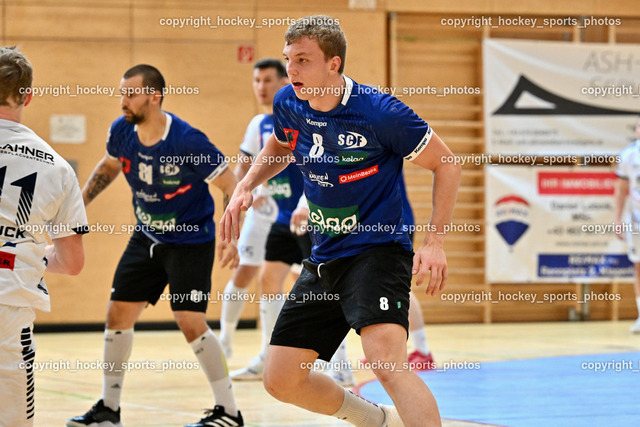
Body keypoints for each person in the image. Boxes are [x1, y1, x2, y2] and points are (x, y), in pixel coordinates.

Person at [220, 15, 461, 427]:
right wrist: (247, 184)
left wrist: (434, 242)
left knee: (387, 363)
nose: (291, 69)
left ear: (333, 64)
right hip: (325, 255)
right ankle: (376, 420)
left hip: (377, 252)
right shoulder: (288, 102)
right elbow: (282, 144)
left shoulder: (380, 113)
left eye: (302, 60)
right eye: (288, 59)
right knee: (281, 379)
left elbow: (448, 163)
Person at [66, 65, 243, 427]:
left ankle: (229, 412)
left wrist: (230, 236)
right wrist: (78, 204)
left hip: (190, 240)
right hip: (146, 235)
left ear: (154, 96)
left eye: (130, 94)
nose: (123, 101)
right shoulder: (121, 131)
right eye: (122, 93)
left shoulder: (188, 141)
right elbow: (110, 166)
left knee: (189, 320)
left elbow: (231, 184)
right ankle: (109, 409)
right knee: (117, 314)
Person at [0, 46, 87, 427]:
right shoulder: (58, 167)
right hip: (10, 306)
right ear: (28, 96)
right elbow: (71, 262)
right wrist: (24, 252)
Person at [331, 174, 435, 388]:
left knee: (396, 287)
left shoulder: (377, 155)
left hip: (391, 225)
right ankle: (388, 350)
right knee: (378, 287)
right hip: (375, 224)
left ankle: (421, 351)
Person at [219, 58, 288, 358]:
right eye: (257, 81)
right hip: (262, 214)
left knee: (300, 282)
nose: (261, 87)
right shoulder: (258, 125)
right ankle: (224, 343)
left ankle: (332, 361)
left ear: (284, 82)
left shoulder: (300, 117)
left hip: (296, 216)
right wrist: (234, 210)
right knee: (245, 273)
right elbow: (242, 171)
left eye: (267, 80)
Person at [614, 115, 640, 334]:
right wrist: (618, 219)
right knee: (638, 266)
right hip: (637, 219)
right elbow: (621, 189)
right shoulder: (628, 154)